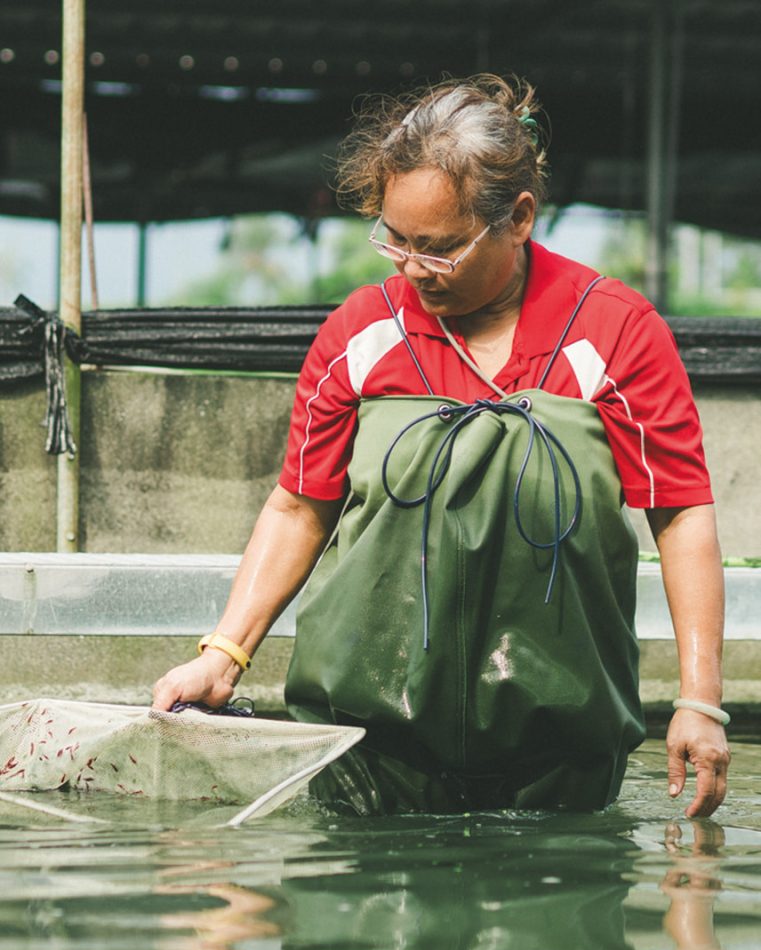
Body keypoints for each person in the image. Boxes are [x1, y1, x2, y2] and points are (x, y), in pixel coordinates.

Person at [153, 74, 729, 818]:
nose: (412, 268)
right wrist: (222, 656)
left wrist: (700, 702)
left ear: (518, 218)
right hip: (366, 750)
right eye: (396, 240)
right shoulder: (359, 335)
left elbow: (679, 515)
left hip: (558, 755)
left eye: (440, 248)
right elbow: (299, 507)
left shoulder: (613, 330)